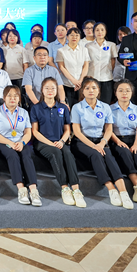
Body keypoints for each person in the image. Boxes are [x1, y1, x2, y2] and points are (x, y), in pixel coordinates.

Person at [70, 77, 134, 209]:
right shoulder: (77, 107)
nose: (91, 90)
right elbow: (77, 132)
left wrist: (102, 142)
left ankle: (123, 192)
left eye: (94, 88)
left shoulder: (105, 107)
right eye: (87, 88)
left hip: (100, 140)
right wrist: (94, 146)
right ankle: (111, 189)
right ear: (82, 91)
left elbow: (109, 128)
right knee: (96, 154)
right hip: (82, 141)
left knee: (109, 157)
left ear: (99, 90)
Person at [30, 78, 85, 207]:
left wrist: (61, 141)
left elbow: (67, 130)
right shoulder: (36, 108)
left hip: (59, 141)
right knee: (55, 152)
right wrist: (50, 143)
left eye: (53, 88)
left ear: (57, 90)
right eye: (47, 88)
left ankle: (76, 189)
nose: (50, 90)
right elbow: (35, 132)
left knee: (68, 153)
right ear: (42, 90)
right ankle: (65, 188)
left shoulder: (63, 107)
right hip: (42, 143)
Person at [0, 86, 42, 206]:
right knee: (12, 155)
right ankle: (21, 189)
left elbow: (28, 132)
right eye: (9, 95)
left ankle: (33, 190)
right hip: (3, 143)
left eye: (15, 96)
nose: (12, 98)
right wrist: (10, 143)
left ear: (19, 98)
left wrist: (22, 142)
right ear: (4, 98)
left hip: (20, 142)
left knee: (26, 154)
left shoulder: (23, 112)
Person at [57, 28, 90, 108]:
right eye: (72, 35)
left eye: (77, 35)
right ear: (67, 37)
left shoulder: (84, 50)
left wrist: (80, 81)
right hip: (67, 84)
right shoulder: (61, 51)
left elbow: (86, 66)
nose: (74, 37)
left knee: (81, 107)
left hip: (80, 84)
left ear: (80, 37)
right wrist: (73, 81)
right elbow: (61, 67)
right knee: (67, 107)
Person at [85, 22, 117, 104]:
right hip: (92, 77)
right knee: (92, 102)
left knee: (105, 103)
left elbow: (113, 62)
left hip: (107, 78)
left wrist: (110, 70)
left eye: (102, 30)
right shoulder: (88, 46)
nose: (100, 32)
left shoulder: (111, 45)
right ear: (94, 32)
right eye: (97, 30)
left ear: (106, 31)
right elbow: (86, 62)